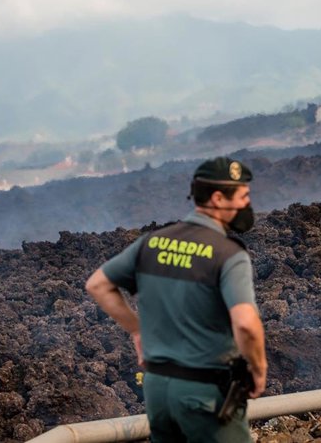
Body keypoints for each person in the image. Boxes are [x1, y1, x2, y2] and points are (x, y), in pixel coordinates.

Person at [85, 156, 267, 442]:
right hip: (205, 394)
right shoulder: (228, 254)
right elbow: (245, 324)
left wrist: (137, 330)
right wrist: (258, 368)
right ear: (218, 198)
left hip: (157, 391)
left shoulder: (151, 243)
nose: (247, 204)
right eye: (243, 196)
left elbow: (97, 285)